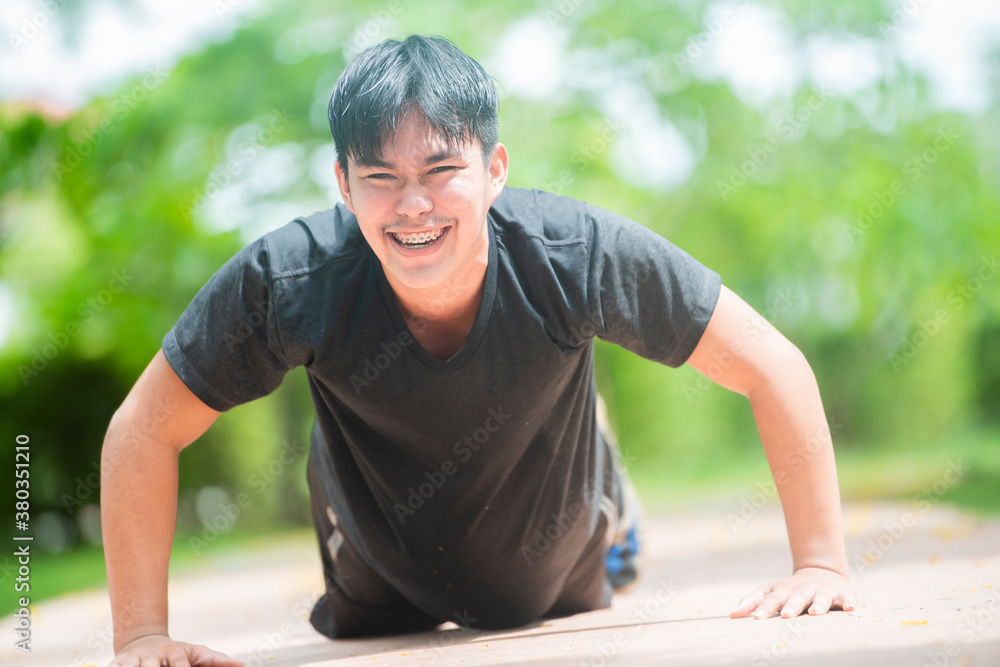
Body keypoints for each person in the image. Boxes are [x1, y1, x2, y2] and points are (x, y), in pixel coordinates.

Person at [102, 34, 857, 667]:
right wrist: (140, 636)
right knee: (373, 592)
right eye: (380, 178)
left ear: (494, 170)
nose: (414, 205)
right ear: (344, 185)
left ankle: (606, 475)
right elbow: (142, 429)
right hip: (376, 576)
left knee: (569, 565)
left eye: (441, 171)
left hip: (557, 560)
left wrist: (821, 562)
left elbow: (772, 363)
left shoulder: (573, 253)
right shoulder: (290, 281)